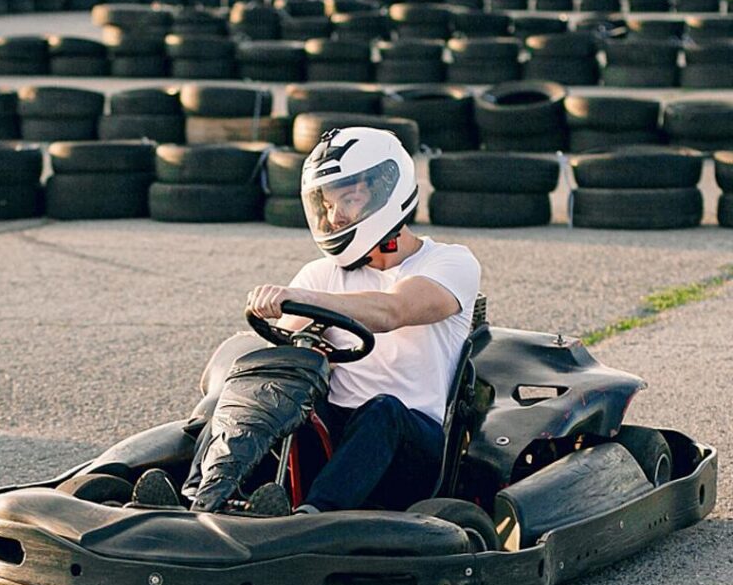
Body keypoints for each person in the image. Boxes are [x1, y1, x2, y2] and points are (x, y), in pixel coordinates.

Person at [133, 126, 481, 516]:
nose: (335, 216)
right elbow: (280, 357)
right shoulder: (322, 273)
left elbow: (391, 310)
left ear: (385, 191)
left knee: (384, 409)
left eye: (347, 199)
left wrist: (300, 298)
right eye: (328, 205)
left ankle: (311, 517)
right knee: (250, 387)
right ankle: (196, 500)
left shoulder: (450, 263)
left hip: (411, 450)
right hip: (336, 434)